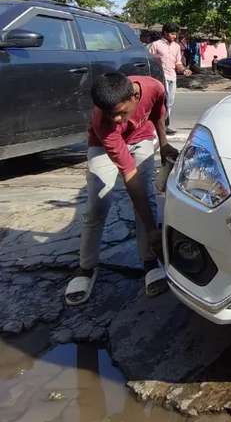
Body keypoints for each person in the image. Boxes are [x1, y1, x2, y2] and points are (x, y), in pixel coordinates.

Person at [64, 72, 180, 306]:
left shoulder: (154, 88)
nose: (116, 119)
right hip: (102, 146)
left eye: (121, 112)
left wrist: (164, 144)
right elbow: (129, 176)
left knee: (145, 199)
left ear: (135, 96)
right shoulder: (102, 121)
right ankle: (86, 268)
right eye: (110, 114)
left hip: (141, 138)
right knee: (98, 203)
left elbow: (158, 114)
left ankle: (149, 262)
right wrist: (151, 229)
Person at [148, 22, 191, 135]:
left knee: (170, 103)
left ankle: (165, 125)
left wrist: (184, 70)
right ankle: (157, 127)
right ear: (165, 33)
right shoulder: (155, 45)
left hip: (172, 77)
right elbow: (149, 62)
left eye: (175, 34)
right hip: (160, 78)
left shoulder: (176, 47)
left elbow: (178, 63)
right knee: (162, 102)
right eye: (172, 34)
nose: (174, 36)